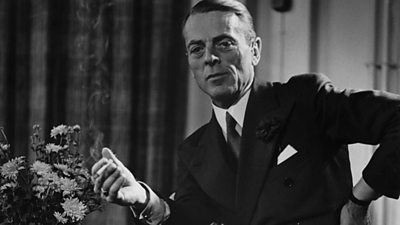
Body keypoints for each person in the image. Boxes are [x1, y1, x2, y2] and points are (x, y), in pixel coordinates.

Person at [91, 0, 400, 224]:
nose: (210, 58)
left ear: (254, 50)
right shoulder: (194, 150)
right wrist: (144, 198)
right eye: (197, 48)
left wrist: (360, 199)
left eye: (224, 43)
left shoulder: (305, 99)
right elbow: (190, 220)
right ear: (189, 61)